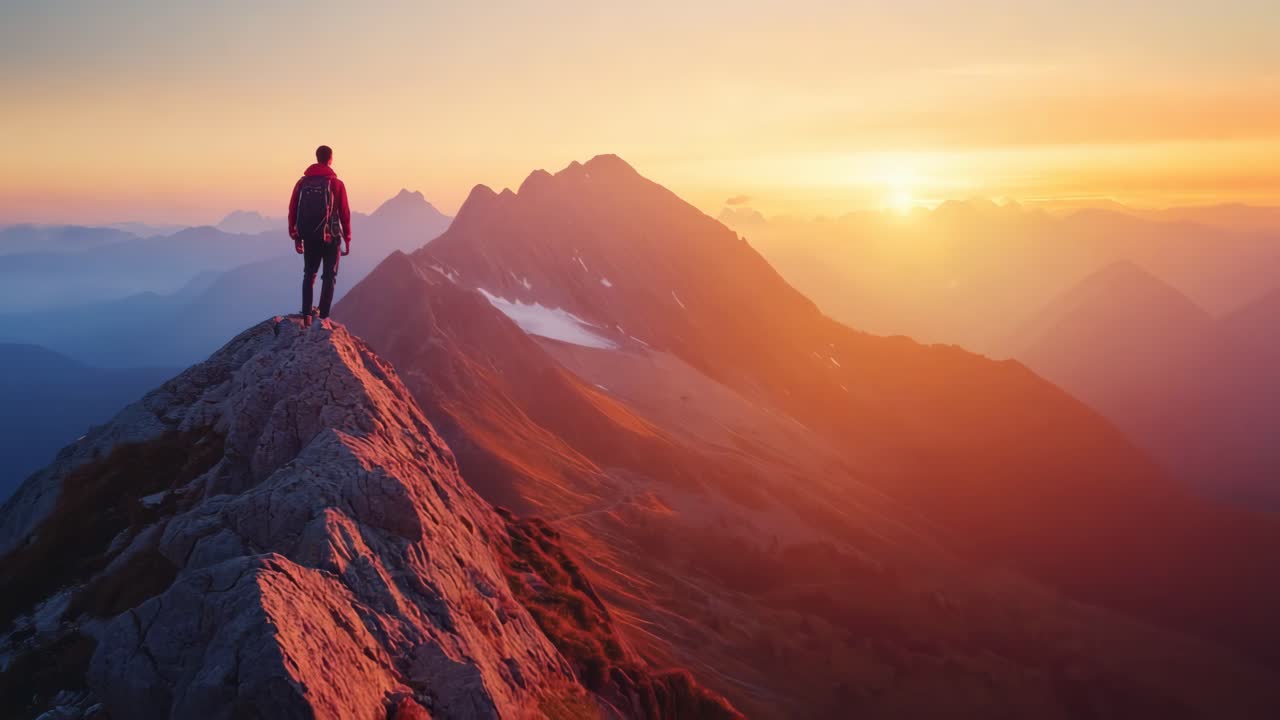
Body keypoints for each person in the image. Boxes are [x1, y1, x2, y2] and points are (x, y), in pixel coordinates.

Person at [288, 145, 351, 326]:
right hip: (331, 237)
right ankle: (323, 317)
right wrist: (347, 238)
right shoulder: (337, 184)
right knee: (329, 277)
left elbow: (293, 210)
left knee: (309, 274)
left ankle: (307, 315)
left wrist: (295, 235)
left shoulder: (302, 183)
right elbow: (345, 214)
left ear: (317, 158)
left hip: (309, 236)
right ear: (330, 159)